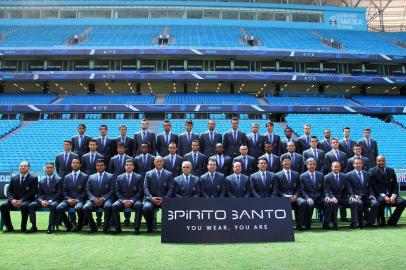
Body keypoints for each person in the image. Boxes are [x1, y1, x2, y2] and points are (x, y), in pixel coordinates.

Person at [0, 161, 38, 232]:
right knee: (3, 206)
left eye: (25, 166)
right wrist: (12, 200)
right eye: (21, 166)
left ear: (28, 168)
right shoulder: (14, 178)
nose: (23, 167)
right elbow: (9, 191)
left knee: (24, 206)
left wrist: (22, 200)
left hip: (27, 200)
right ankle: (9, 227)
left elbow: (33, 192)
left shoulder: (33, 178)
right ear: (19, 167)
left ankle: (23, 228)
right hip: (14, 200)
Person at [369, 156, 406, 226]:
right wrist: (384, 196)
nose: (381, 162)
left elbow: (395, 184)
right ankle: (381, 222)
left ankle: (392, 222)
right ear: (376, 162)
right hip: (379, 195)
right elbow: (373, 186)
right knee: (382, 201)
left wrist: (393, 196)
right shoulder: (372, 171)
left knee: (403, 202)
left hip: (391, 195)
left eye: (382, 161)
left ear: (385, 161)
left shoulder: (391, 170)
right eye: (379, 161)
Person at [27, 162, 62, 234]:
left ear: (54, 169)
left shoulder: (59, 179)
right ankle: (33, 226)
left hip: (54, 200)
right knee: (31, 205)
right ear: (45, 169)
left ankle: (50, 226)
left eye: (51, 168)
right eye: (47, 168)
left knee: (53, 205)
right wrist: (41, 201)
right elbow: (39, 194)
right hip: (43, 200)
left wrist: (49, 201)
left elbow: (59, 193)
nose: (49, 169)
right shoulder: (41, 180)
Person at [273, 156, 306, 230]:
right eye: (285, 161)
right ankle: (285, 226)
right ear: (282, 163)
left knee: (303, 202)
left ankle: (299, 224)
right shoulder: (277, 175)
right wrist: (285, 196)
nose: (287, 162)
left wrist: (295, 195)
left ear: (291, 162)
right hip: (283, 197)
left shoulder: (296, 174)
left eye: (288, 161)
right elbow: (276, 190)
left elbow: (299, 188)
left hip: (295, 197)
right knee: (282, 203)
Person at [56, 158, 88, 232]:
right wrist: (68, 199)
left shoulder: (85, 176)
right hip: (68, 199)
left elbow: (86, 191)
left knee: (79, 208)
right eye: (73, 162)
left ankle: (79, 225)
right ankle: (69, 226)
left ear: (80, 165)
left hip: (80, 200)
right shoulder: (67, 177)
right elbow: (64, 192)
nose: (75, 164)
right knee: (59, 208)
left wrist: (77, 200)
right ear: (71, 165)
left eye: (77, 163)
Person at [143, 156, 174, 232]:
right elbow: (145, 188)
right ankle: (150, 226)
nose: (159, 163)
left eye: (160, 161)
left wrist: (165, 198)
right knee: (146, 208)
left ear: (163, 162)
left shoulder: (169, 174)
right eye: (157, 161)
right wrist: (151, 198)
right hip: (151, 199)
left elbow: (171, 188)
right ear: (154, 162)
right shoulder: (148, 174)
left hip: (164, 199)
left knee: (170, 208)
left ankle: (166, 228)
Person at [112, 159, 143, 234]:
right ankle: (118, 228)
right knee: (114, 206)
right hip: (123, 200)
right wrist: (123, 200)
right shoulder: (119, 177)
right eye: (127, 165)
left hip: (134, 200)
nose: (128, 166)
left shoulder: (139, 177)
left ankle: (136, 228)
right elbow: (117, 191)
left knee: (139, 206)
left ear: (133, 167)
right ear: (124, 167)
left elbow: (140, 191)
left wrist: (132, 200)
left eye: (130, 165)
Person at [323, 161, 357, 230]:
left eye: (338, 167)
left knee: (353, 202)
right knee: (333, 203)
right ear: (332, 167)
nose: (337, 168)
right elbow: (327, 190)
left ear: (340, 167)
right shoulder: (327, 177)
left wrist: (352, 196)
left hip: (342, 198)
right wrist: (332, 197)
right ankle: (334, 224)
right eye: (335, 167)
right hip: (332, 198)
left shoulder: (344, 176)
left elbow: (349, 188)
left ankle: (354, 223)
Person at [83, 159, 114, 234]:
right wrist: (94, 199)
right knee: (86, 207)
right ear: (96, 167)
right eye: (98, 165)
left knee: (108, 206)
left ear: (105, 166)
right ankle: (93, 227)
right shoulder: (91, 177)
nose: (99, 167)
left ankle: (106, 227)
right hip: (94, 200)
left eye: (101, 165)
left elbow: (112, 190)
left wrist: (103, 199)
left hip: (106, 200)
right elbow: (88, 190)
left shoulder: (111, 176)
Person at [346, 158, 379, 227]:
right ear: (353, 165)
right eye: (357, 163)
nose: (358, 165)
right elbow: (349, 188)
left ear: (362, 164)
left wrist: (371, 194)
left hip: (366, 197)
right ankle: (360, 222)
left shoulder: (367, 174)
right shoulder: (348, 175)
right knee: (359, 203)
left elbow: (369, 187)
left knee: (375, 203)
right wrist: (353, 195)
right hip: (356, 197)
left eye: (360, 163)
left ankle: (369, 222)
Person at [300, 158, 325, 230]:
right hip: (309, 197)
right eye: (310, 164)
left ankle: (326, 223)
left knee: (328, 203)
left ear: (316, 165)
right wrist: (307, 198)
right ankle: (307, 224)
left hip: (319, 197)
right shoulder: (302, 176)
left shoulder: (321, 175)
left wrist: (327, 197)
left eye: (314, 164)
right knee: (310, 204)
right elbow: (302, 190)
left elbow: (324, 189)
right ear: (307, 165)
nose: (312, 166)